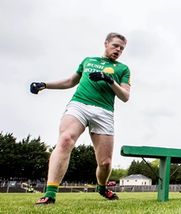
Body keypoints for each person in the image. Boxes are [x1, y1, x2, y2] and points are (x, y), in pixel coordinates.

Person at [31, 33, 131, 205]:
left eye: (121, 48)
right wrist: (45, 84)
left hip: (104, 112)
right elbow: (70, 81)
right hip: (79, 104)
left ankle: (102, 187)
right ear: (106, 43)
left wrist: (109, 80)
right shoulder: (88, 61)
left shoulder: (123, 69)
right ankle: (50, 193)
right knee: (65, 140)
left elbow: (125, 96)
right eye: (115, 46)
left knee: (105, 163)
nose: (118, 50)